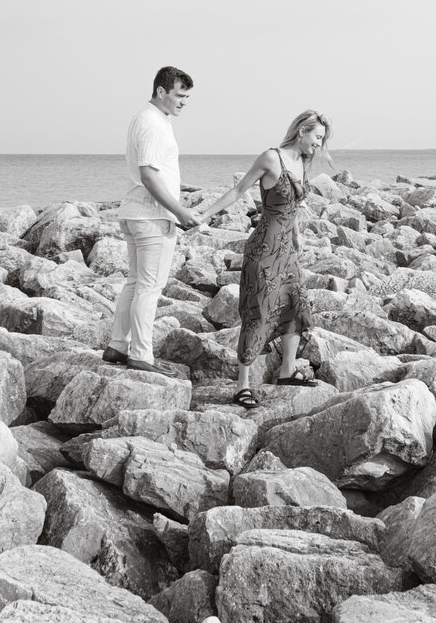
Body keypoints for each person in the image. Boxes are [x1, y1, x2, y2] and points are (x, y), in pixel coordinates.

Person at [197, 110, 332, 408]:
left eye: (322, 140)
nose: (319, 145)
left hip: (288, 251)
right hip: (264, 249)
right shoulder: (272, 158)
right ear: (302, 132)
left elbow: (294, 207)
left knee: (296, 305)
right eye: (317, 137)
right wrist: (203, 215)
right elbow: (238, 189)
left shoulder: (302, 163)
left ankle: (287, 369)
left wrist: (297, 237)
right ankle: (242, 385)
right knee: (259, 310)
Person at [103, 66, 200, 373]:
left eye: (187, 96)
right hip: (151, 217)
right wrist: (180, 211)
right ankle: (141, 355)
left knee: (134, 283)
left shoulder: (149, 118)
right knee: (149, 287)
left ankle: (118, 346)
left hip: (136, 214)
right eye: (179, 95)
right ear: (161, 91)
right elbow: (148, 174)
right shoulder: (152, 123)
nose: (184, 102)